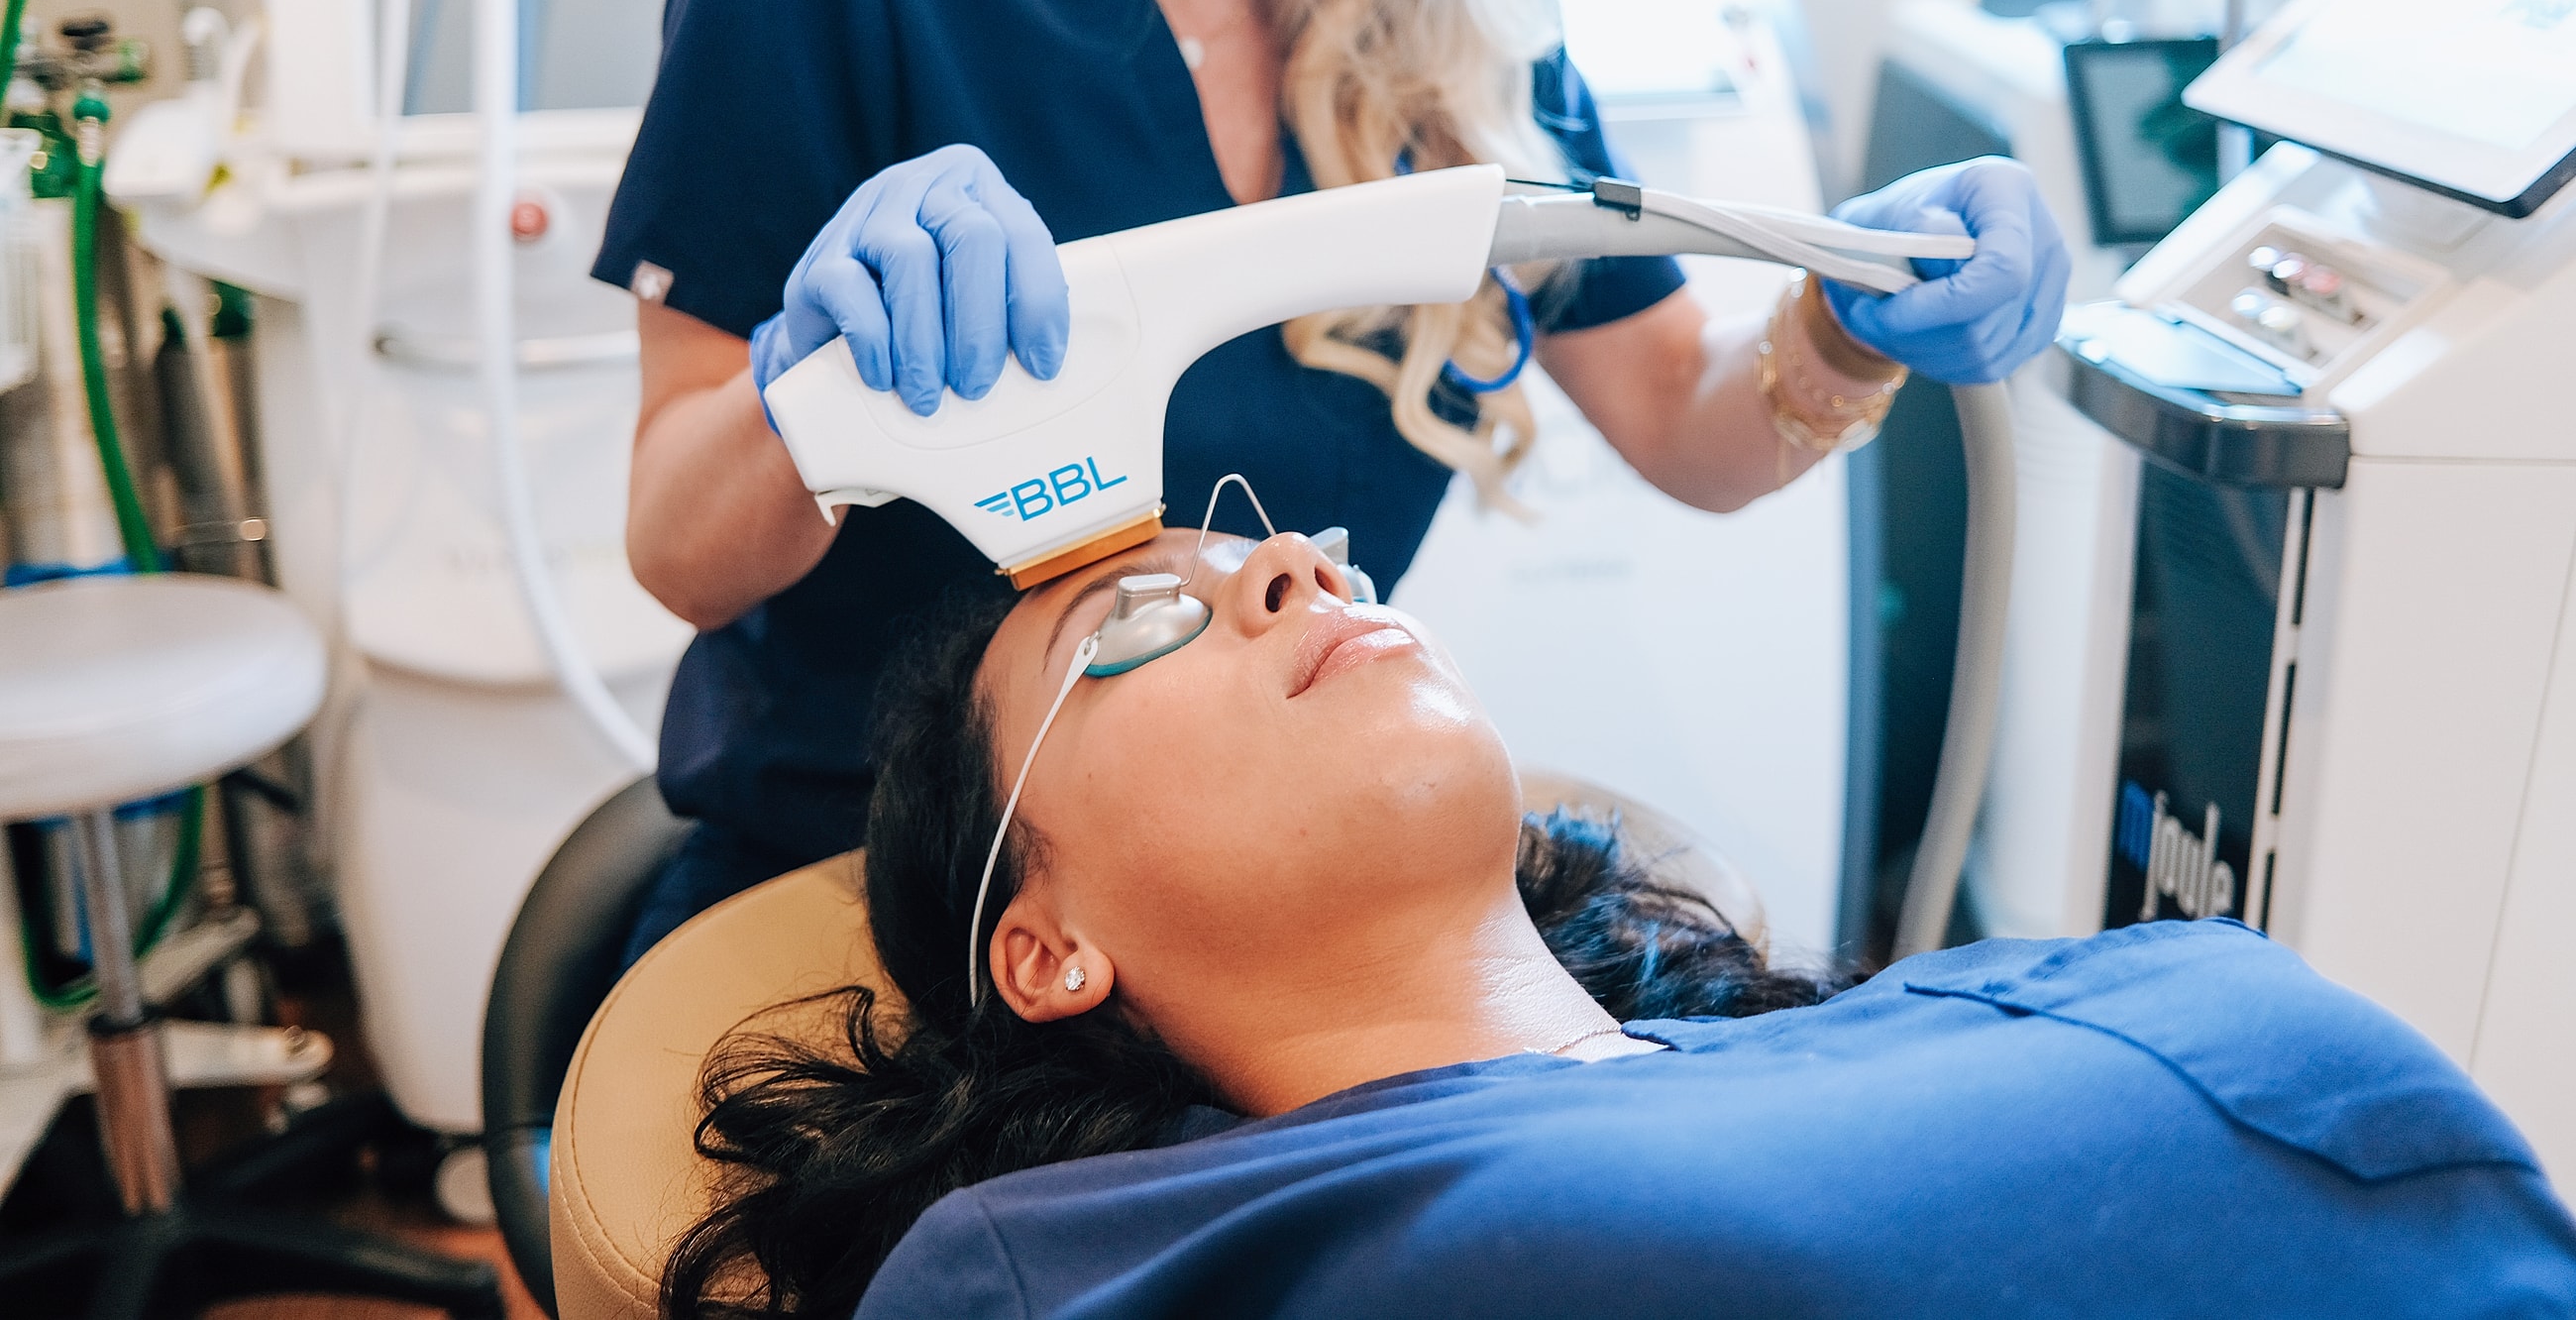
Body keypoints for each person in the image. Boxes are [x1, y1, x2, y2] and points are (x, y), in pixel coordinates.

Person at [593, 0, 2073, 961]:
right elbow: (678, 543)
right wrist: (810, 393)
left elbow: (1686, 411)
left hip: (1256, 922)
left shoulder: (1462, 34)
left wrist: (1848, 310)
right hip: (865, 906)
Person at [662, 528, 2576, 1318]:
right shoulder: (1077, 1261)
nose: (1292, 565)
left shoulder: (1995, 996)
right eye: (1141, 628)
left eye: (1282, 542)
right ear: (1048, 944)